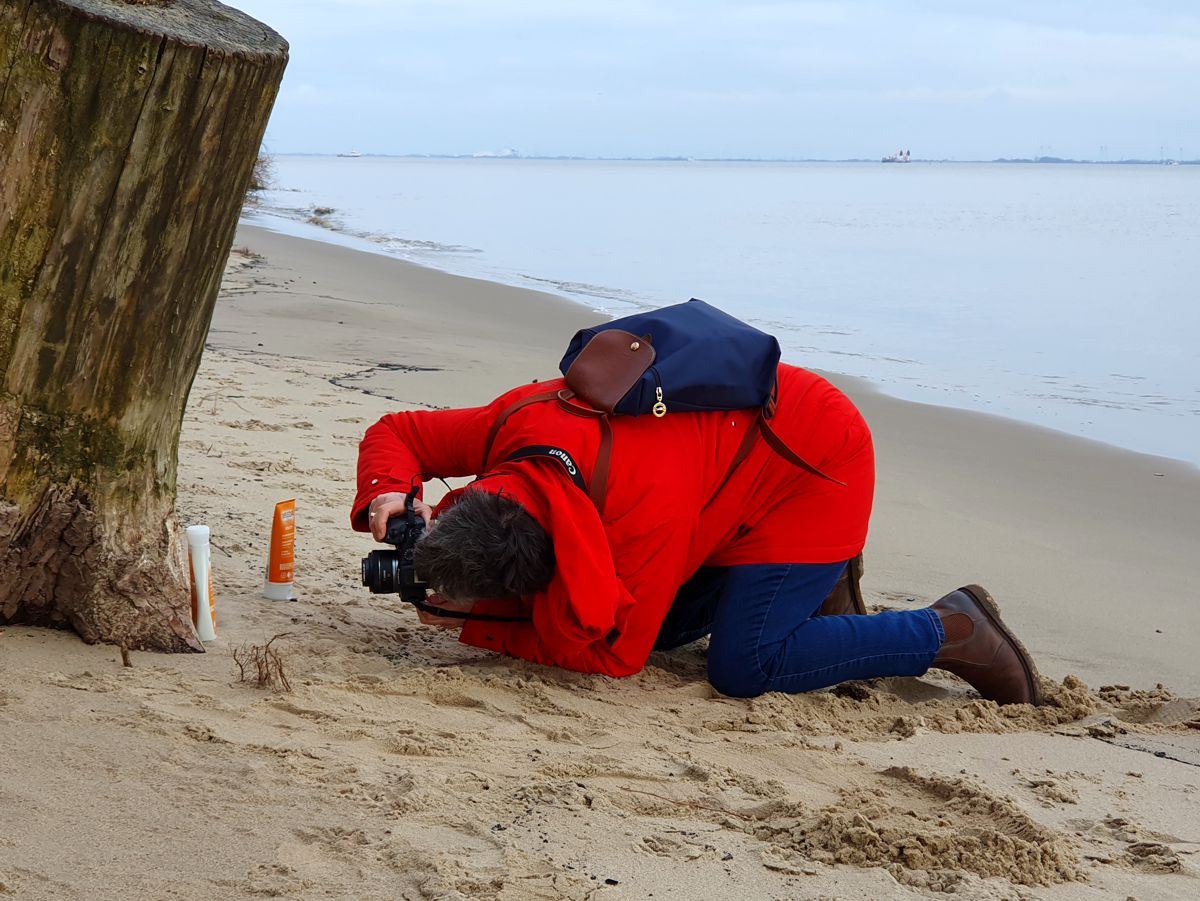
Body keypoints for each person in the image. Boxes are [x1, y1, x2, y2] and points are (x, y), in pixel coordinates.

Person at [352, 363, 1041, 705]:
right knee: (669, 623)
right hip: (723, 470)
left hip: (813, 465)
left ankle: (951, 629)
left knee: (743, 665)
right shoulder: (516, 422)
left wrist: (475, 625)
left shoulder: (636, 514)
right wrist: (389, 490)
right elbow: (398, 433)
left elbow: (615, 654)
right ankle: (816, 589)